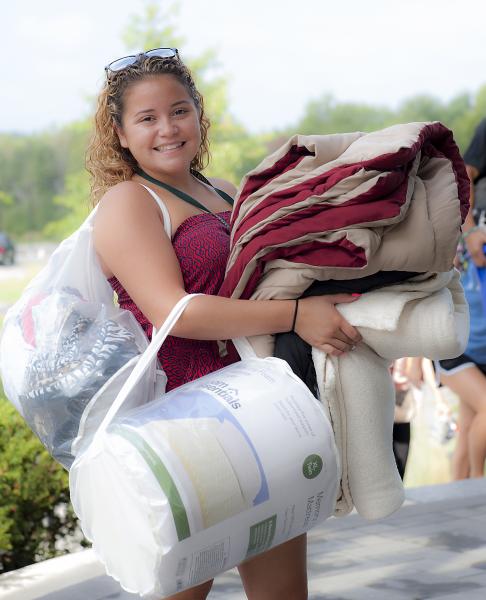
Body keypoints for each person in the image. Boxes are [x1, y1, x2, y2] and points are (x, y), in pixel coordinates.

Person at [86, 47, 362, 600]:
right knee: (184, 589)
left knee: (284, 593)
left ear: (198, 114)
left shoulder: (223, 193)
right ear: (120, 133)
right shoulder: (128, 202)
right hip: (185, 427)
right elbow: (175, 310)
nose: (168, 128)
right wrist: (295, 315)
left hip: (260, 414)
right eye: (147, 118)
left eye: (179, 110)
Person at [436, 119, 486, 480]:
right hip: (460, 337)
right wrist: (469, 232)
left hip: (480, 342)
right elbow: (461, 178)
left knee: (470, 428)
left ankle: (460, 508)